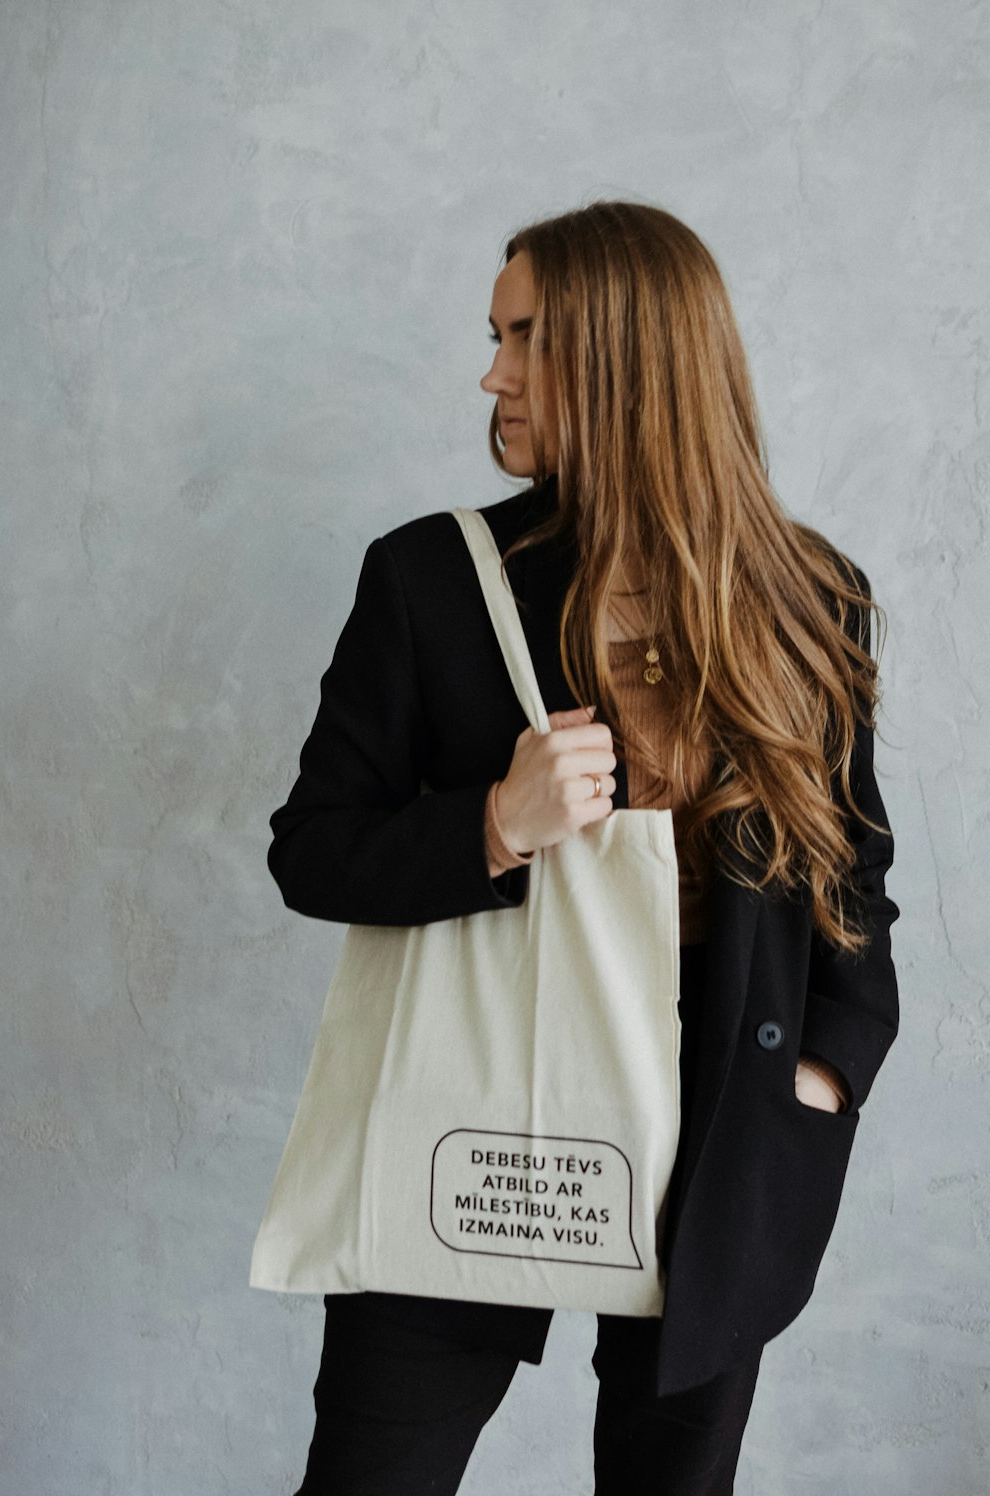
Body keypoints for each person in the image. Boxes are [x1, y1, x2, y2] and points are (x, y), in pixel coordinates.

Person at [263, 202, 899, 1495]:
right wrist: (495, 824)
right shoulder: (432, 582)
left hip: (726, 1127)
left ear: (631, 356)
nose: (492, 373)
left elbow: (852, 881)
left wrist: (825, 1073)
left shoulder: (805, 596)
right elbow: (312, 852)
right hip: (480, 1107)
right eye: (494, 336)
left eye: (527, 340)